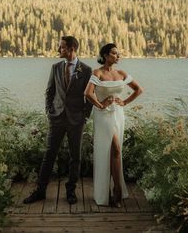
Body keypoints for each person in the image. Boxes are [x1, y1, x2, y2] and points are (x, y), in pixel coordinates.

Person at [24, 36, 92, 205]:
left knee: (75, 157)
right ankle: (40, 191)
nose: (58, 50)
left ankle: (71, 192)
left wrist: (85, 115)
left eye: (61, 47)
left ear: (71, 49)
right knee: (49, 155)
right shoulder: (55, 68)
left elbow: (89, 96)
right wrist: (49, 111)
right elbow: (49, 92)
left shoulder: (86, 70)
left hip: (76, 120)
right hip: (57, 118)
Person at [84, 43, 143, 207]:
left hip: (118, 114)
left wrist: (124, 101)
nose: (118, 56)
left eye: (119, 54)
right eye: (114, 53)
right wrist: (100, 104)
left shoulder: (121, 73)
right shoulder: (98, 73)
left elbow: (138, 90)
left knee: (115, 152)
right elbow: (88, 93)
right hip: (103, 116)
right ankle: (115, 190)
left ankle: (115, 189)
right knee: (114, 149)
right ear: (105, 55)